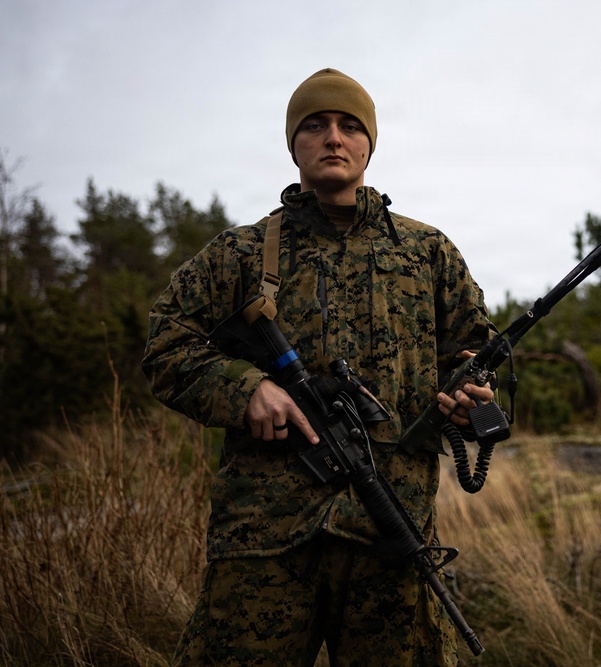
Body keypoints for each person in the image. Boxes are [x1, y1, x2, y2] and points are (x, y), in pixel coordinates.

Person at [142, 68, 496, 666]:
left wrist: (469, 403)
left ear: (369, 144)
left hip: (392, 530)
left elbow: (473, 357)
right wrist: (246, 388)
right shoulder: (241, 253)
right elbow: (165, 344)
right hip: (265, 541)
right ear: (294, 144)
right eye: (316, 125)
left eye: (350, 125)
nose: (334, 137)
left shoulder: (428, 252)